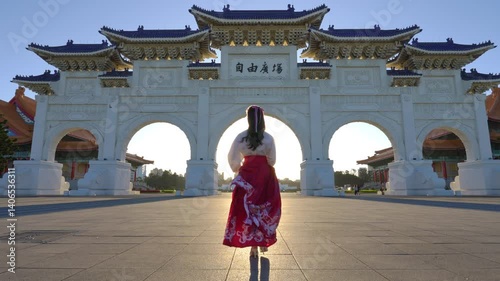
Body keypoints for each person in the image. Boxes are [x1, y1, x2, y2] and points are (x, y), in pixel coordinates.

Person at [223, 105, 282, 258]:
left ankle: (253, 247)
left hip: (246, 175)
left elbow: (233, 158)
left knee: (247, 209)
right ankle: (262, 242)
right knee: (264, 209)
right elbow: (272, 160)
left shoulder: (240, 137)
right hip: (264, 175)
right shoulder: (268, 138)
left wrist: (238, 169)